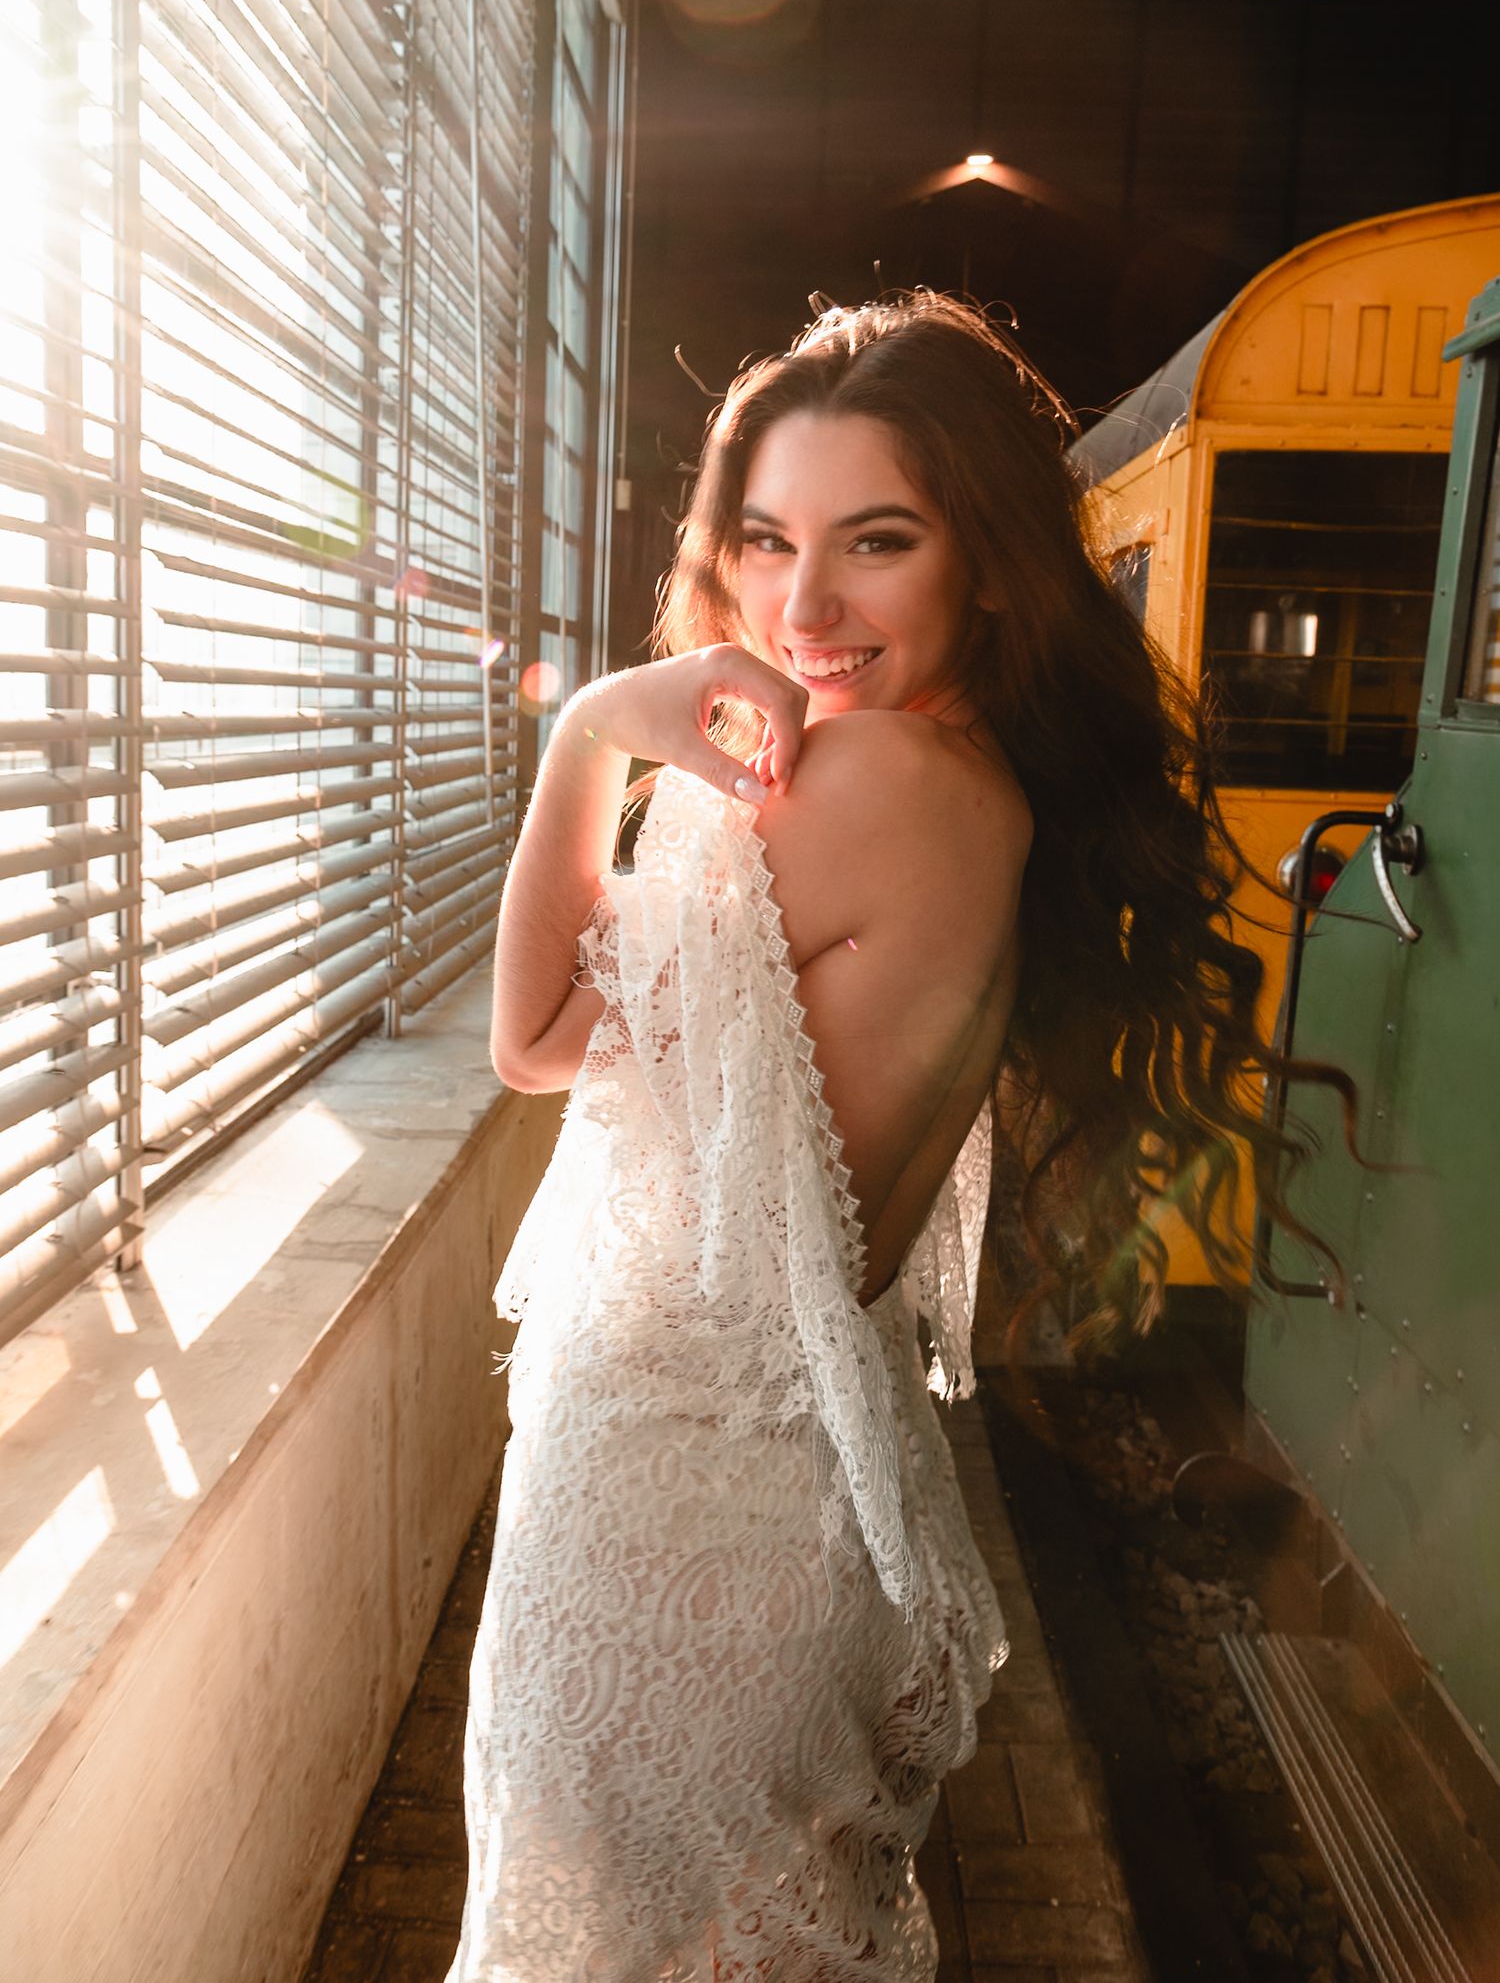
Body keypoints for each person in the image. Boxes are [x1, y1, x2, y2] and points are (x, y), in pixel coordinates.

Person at [444, 291, 1346, 1982]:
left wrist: (590, 730)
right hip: (763, 1507)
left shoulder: (860, 783)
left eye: (877, 539)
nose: (805, 604)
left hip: (673, 1529)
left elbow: (535, 1036)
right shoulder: (980, 783)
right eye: (770, 540)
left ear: (984, 562)